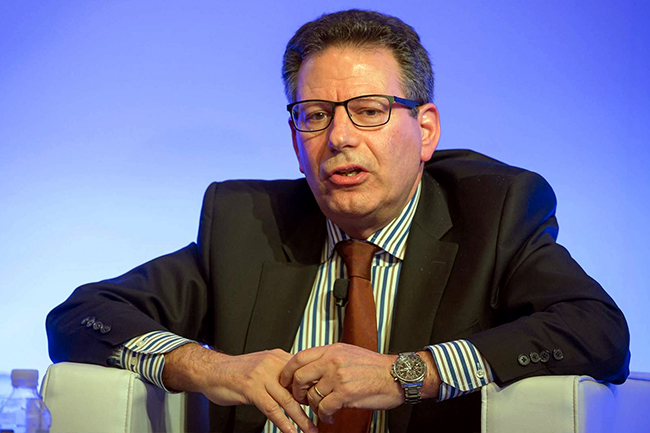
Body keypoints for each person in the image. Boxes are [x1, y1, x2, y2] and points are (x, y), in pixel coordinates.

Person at [46, 9, 630, 433]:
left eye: (369, 111)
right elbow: (82, 315)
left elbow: (597, 331)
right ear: (295, 140)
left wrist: (408, 373)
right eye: (315, 115)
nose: (340, 138)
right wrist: (207, 368)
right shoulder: (247, 223)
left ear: (425, 130)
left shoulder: (494, 212)